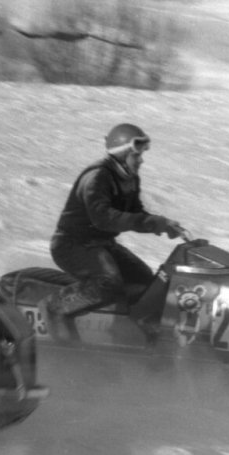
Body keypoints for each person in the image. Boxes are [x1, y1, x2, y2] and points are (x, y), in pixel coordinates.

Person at [38, 123, 184, 342]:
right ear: (123, 154)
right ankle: (55, 309)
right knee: (108, 282)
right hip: (72, 245)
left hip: (101, 244)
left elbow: (135, 213)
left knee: (148, 286)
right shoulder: (97, 177)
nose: (142, 160)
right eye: (137, 156)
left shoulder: (130, 178)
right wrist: (150, 222)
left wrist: (162, 225)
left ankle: (129, 335)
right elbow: (104, 218)